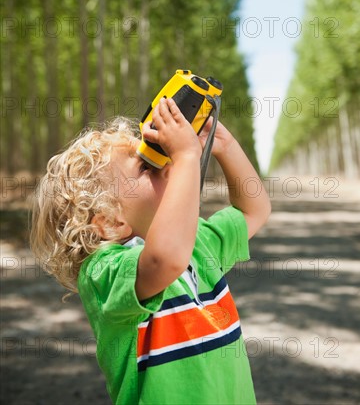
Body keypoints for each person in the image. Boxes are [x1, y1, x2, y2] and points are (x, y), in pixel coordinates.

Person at [31, 97, 271, 405]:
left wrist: (224, 144)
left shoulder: (193, 244)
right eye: (147, 166)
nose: (167, 165)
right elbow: (164, 260)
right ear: (110, 223)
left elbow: (254, 211)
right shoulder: (103, 273)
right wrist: (185, 156)